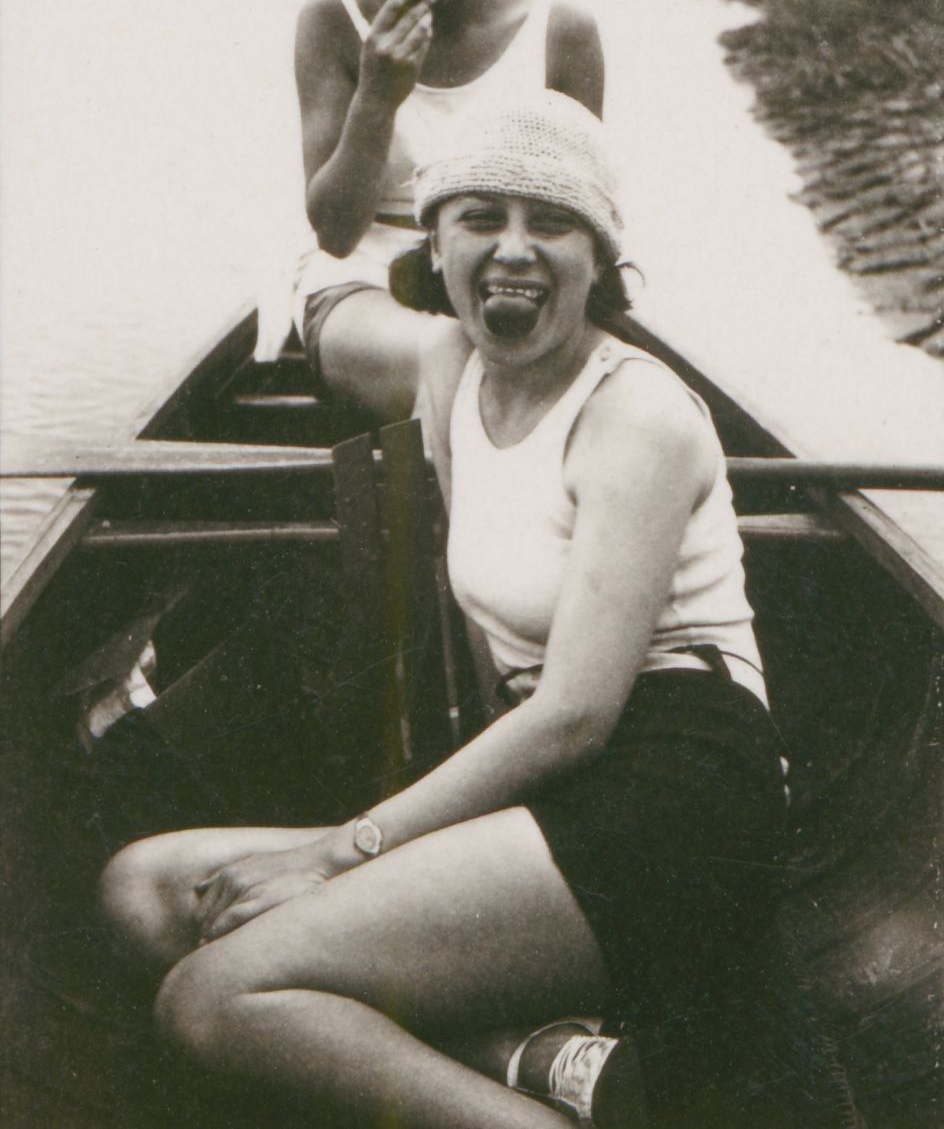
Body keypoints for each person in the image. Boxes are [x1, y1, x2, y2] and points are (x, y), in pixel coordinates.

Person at [100, 92, 788, 1127]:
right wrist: (307, 278)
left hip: (675, 791)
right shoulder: (449, 369)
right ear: (434, 243)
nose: (512, 250)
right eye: (479, 218)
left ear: (599, 258)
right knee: (145, 890)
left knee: (211, 997)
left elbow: (575, 713)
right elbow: (335, 313)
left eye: (549, 222)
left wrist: (345, 848)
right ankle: (532, 1058)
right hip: (549, 787)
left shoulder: (635, 413)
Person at [289, 0, 604, 417]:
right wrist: (377, 97)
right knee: (457, 360)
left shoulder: (560, 32)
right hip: (364, 286)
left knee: (619, 387)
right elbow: (335, 234)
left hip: (511, 277)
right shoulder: (333, 23)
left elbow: (578, 226)